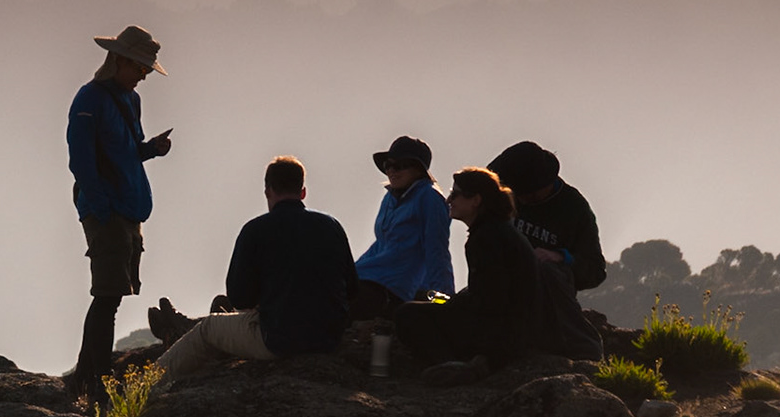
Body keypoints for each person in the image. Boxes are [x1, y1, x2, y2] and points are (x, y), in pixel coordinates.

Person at [156, 157, 357, 378]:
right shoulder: (331, 226)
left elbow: (240, 298)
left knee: (209, 327)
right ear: (303, 192)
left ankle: (140, 387)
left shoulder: (255, 230)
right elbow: (351, 289)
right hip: (330, 338)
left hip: (279, 340)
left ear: (268, 190)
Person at [65, 25, 174, 408]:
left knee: (112, 294)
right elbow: (80, 160)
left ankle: (83, 379)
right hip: (108, 209)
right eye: (140, 67)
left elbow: (125, 152)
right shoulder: (90, 100)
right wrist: (101, 207)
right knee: (108, 296)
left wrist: (151, 150)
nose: (144, 75)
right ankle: (98, 383)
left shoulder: (129, 101)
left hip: (126, 207)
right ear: (119, 60)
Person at [394, 168, 539, 380]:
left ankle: (452, 365)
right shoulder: (497, 231)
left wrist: (450, 305)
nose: (449, 199)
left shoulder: (486, 239)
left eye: (456, 194)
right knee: (425, 297)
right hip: (512, 328)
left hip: (501, 333)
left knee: (407, 314)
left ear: (476, 200)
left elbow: (491, 301)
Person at [488, 141, 605, 360]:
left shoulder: (574, 207)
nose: (521, 198)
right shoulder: (504, 200)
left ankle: (584, 348)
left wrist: (560, 256)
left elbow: (595, 270)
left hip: (548, 291)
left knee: (547, 270)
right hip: (505, 288)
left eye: (527, 192)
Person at [351, 135, 455, 320]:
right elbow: (381, 245)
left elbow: (436, 251)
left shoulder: (430, 198)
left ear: (418, 169)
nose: (391, 170)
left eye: (399, 165)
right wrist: (349, 271)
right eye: (387, 165)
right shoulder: (389, 198)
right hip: (369, 276)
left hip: (393, 288)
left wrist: (445, 301)